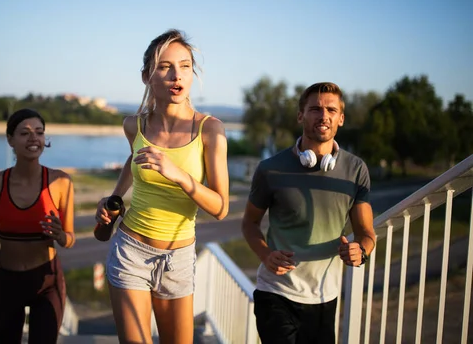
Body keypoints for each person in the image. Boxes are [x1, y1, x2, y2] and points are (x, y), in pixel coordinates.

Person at [94, 29, 229, 344]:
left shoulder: (210, 130)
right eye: (165, 66)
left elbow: (221, 208)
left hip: (177, 258)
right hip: (131, 251)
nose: (176, 74)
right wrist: (113, 198)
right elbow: (134, 160)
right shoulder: (134, 125)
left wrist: (179, 175)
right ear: (147, 76)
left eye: (184, 65)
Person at [242, 82, 376, 344]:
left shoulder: (356, 170)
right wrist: (266, 254)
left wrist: (361, 252)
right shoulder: (270, 168)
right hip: (276, 292)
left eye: (331, 109)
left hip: (325, 296)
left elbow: (366, 233)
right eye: (315, 108)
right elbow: (250, 223)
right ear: (301, 115)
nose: (323, 115)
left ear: (341, 118)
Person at [0, 108, 75, 344]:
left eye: (39, 132)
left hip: (47, 283)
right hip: (6, 280)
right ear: (10, 140)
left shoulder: (61, 182)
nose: (34, 138)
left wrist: (60, 235)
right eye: (24, 133)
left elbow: (70, 239)